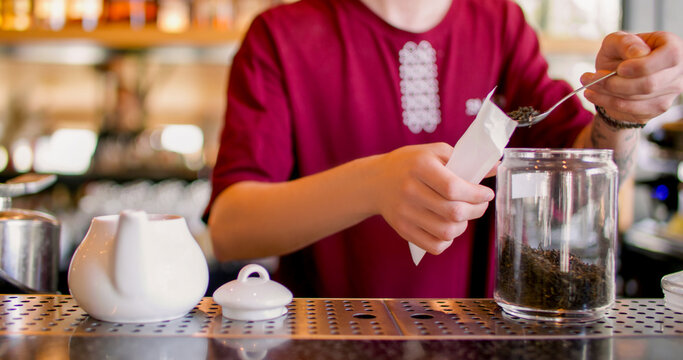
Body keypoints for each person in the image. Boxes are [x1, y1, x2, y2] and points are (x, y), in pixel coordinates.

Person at [205, 0, 683, 298]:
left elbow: (582, 172)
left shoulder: (499, 22)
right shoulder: (281, 36)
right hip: (326, 337)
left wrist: (621, 112)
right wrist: (373, 185)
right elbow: (230, 229)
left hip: (476, 335)